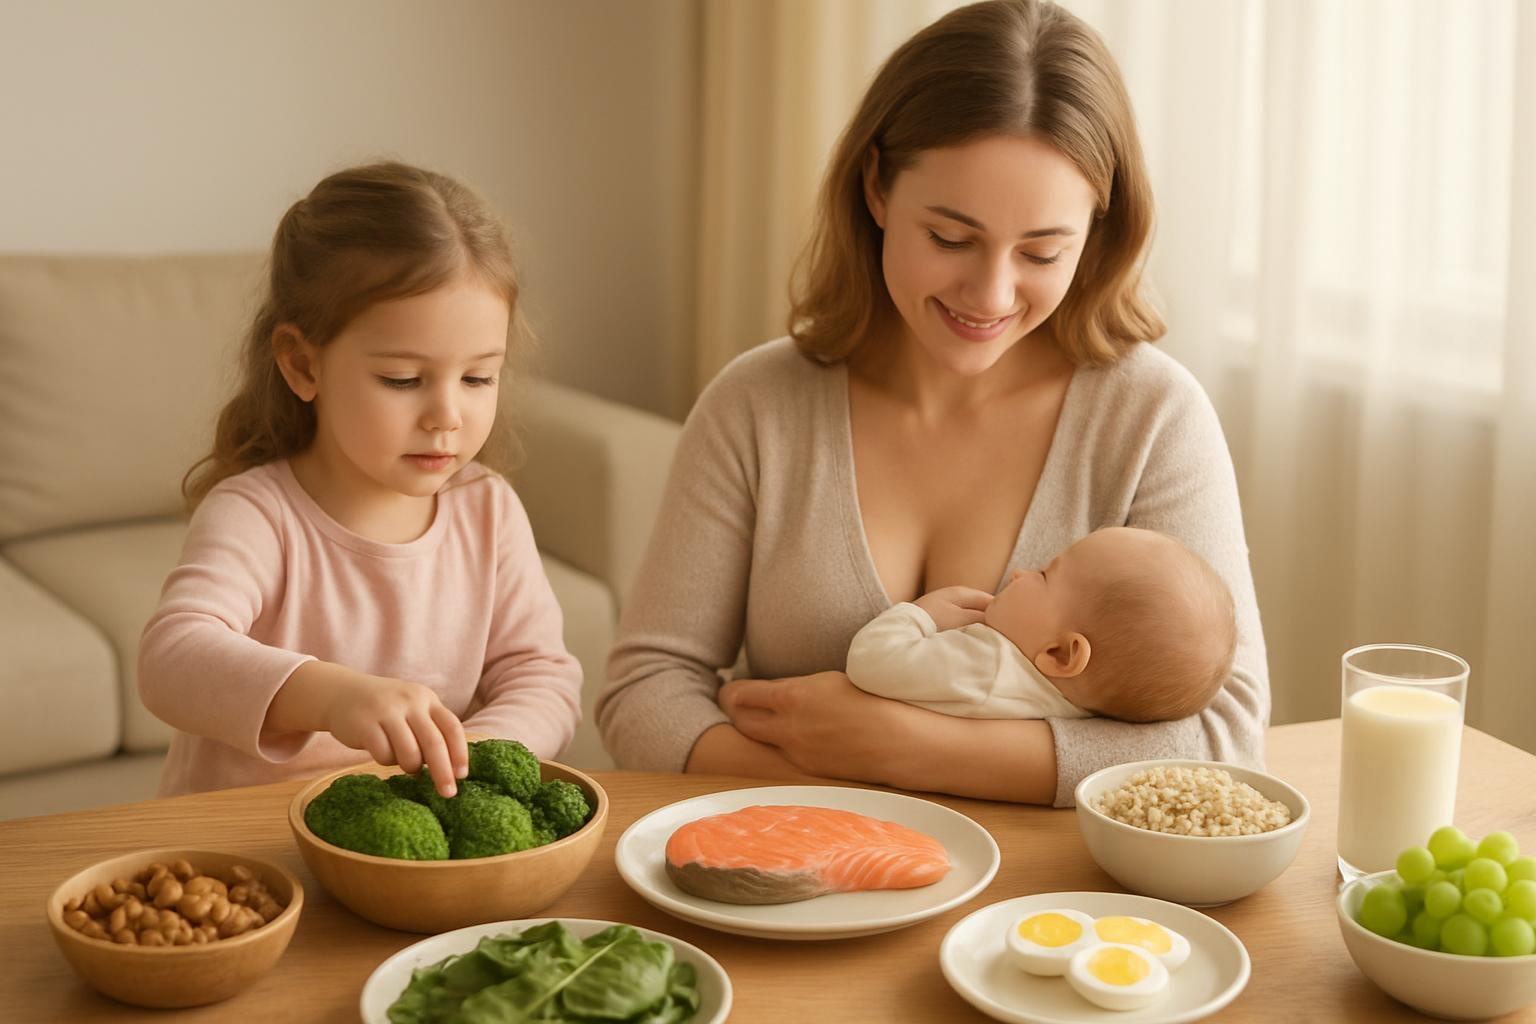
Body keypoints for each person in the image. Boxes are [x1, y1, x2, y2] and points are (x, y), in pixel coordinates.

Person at [598, 0, 1269, 806]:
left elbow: (1225, 735)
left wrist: (906, 748)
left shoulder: (1151, 416)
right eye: (950, 239)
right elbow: (645, 690)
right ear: (876, 188)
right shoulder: (757, 406)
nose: (990, 294)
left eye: (1042, 252)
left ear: (1096, 232)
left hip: (1046, 885)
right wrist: (840, 808)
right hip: (798, 864)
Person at [139, 162, 582, 799]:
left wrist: (472, 757)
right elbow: (172, 658)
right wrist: (330, 695)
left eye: (478, 377)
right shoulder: (256, 513)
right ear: (302, 364)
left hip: (409, 836)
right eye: (403, 380)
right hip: (241, 839)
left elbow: (542, 676)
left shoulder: (489, 509)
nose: (447, 416)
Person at [846, 527, 1237, 724]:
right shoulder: (1073, 706)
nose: (1020, 573)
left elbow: (870, 659)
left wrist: (922, 615)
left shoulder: (987, 666)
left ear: (1060, 654)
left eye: (1044, 575)